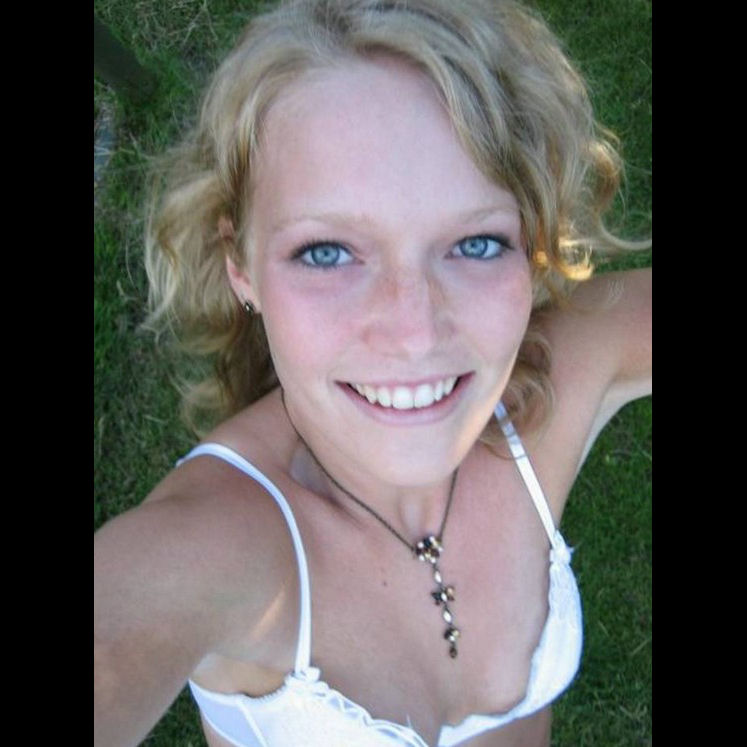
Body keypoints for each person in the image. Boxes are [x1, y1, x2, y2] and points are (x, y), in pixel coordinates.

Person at [94, 0, 651, 745]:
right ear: (240, 265)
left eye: (477, 243)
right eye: (327, 252)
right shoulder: (215, 546)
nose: (414, 334)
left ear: (533, 246)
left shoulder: (556, 375)